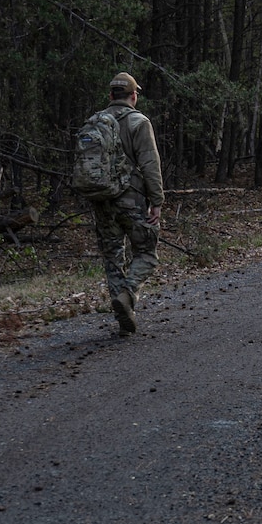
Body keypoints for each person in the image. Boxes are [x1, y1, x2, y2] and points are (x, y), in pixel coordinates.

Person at [75, 72, 165, 335]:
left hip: (103, 201)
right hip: (131, 200)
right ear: (134, 96)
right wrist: (157, 201)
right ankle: (127, 294)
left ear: (110, 95)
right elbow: (150, 164)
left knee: (113, 258)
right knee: (147, 253)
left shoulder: (96, 122)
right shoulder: (139, 122)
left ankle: (123, 314)